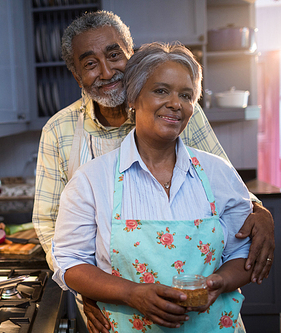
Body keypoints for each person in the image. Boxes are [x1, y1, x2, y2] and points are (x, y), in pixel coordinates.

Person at [32, 10, 274, 333]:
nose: (106, 71)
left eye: (114, 54)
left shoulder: (180, 114)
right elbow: (55, 236)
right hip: (112, 313)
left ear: (131, 56)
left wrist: (260, 210)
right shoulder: (64, 140)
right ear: (77, 76)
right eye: (90, 64)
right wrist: (89, 287)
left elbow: (226, 188)